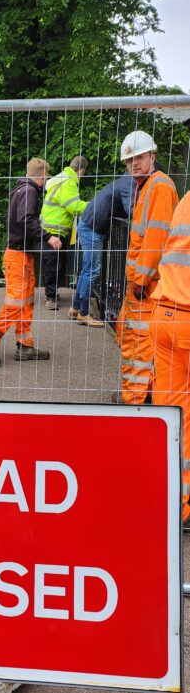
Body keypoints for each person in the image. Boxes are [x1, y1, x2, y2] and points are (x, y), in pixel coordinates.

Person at [0, 158, 61, 366]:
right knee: (16, 302)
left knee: (25, 301)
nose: (46, 180)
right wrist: (48, 237)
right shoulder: (29, 191)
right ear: (42, 175)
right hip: (18, 255)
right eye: (46, 176)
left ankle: (25, 346)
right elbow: (26, 219)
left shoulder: (22, 189)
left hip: (21, 254)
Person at [116, 130, 178, 404]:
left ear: (153, 156)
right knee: (128, 337)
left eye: (139, 158)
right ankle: (145, 395)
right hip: (139, 285)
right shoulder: (148, 186)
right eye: (129, 161)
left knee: (137, 348)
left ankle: (134, 405)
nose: (134, 164)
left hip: (146, 287)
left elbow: (155, 237)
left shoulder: (159, 187)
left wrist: (140, 280)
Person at [150, 190, 190, 527]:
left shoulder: (186, 198)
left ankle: (166, 496)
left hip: (164, 313)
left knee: (170, 412)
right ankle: (182, 506)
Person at [69, 172, 136, 327]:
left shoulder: (124, 180)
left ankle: (76, 308)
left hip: (88, 224)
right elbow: (132, 210)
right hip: (92, 228)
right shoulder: (129, 183)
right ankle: (84, 314)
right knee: (92, 271)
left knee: (87, 270)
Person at [40, 156, 88, 310]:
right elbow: (74, 206)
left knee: (56, 263)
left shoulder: (61, 179)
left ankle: (52, 293)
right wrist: (92, 207)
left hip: (53, 228)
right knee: (53, 264)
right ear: (81, 170)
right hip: (55, 230)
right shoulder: (68, 182)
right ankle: (50, 296)